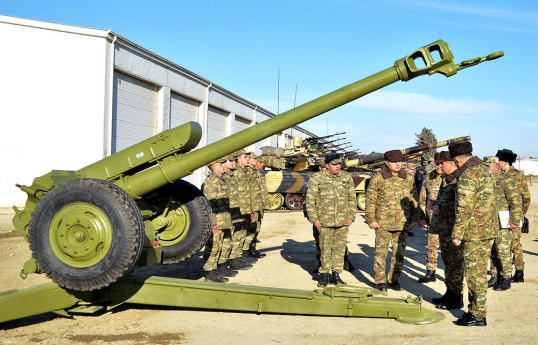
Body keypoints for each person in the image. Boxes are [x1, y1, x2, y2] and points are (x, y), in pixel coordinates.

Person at [450, 141, 497, 327]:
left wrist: (457, 233)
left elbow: (464, 207)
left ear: (457, 160)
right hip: (487, 230)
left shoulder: (468, 175)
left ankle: (478, 314)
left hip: (474, 232)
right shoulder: (486, 171)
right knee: (479, 274)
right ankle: (475, 310)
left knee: (474, 275)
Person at [365, 150, 417, 292]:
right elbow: (370, 201)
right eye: (394, 162)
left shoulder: (409, 178)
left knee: (399, 254)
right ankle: (380, 281)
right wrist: (370, 219)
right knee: (380, 254)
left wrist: (416, 217)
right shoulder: (377, 179)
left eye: (400, 161)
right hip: (383, 224)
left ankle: (394, 280)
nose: (398, 164)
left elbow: (414, 199)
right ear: (387, 163)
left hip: (402, 223)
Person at [305, 153, 356, 286]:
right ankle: (325, 274)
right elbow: (310, 200)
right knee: (325, 248)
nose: (337, 166)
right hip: (324, 220)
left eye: (339, 164)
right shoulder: (317, 178)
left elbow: (352, 198)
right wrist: (314, 219)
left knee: (339, 249)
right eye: (334, 164)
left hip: (342, 219)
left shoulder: (346, 177)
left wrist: (351, 216)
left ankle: (336, 274)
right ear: (327, 165)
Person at [431, 151, 464, 310]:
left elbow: (462, 206)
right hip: (445, 229)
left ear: (450, 162)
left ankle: (457, 298)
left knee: (455, 265)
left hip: (453, 229)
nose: (440, 167)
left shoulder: (459, 180)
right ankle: (450, 293)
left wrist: (440, 208)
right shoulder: (447, 180)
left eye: (442, 163)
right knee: (448, 264)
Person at [484, 156, 522, 291]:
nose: (486, 169)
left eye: (488, 166)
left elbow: (516, 201)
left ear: (496, 166)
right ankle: (495, 277)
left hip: (503, 223)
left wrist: (515, 221)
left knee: (503, 251)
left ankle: (506, 278)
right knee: (492, 251)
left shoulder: (507, 179)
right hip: (489, 222)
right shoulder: (486, 180)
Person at [496, 148, 531, 283]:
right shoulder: (498, 175)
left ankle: (519, 271)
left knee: (514, 243)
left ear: (505, 162)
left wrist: (521, 212)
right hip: (501, 214)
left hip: (514, 215)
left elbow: (526, 196)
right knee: (501, 244)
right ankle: (504, 271)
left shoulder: (516, 175)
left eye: (498, 161)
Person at [201, 158, 233, 283]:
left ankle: (216, 270)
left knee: (219, 246)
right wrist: (213, 222)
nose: (223, 166)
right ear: (214, 167)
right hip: (217, 221)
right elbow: (209, 204)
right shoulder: (212, 182)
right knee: (213, 247)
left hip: (223, 219)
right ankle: (210, 273)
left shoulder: (220, 180)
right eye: (220, 164)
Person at [417, 153, 443, 283]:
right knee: (432, 246)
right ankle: (430, 272)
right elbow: (422, 199)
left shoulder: (453, 178)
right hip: (432, 220)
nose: (438, 166)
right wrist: (422, 217)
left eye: (441, 163)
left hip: (449, 221)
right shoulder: (429, 178)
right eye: (436, 163)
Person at [245, 153, 269, 258]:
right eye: (254, 159)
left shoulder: (256, 172)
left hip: (258, 205)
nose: (257, 161)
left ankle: (252, 250)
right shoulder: (248, 172)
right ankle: (247, 252)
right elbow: (247, 191)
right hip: (253, 205)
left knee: (256, 228)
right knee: (251, 229)